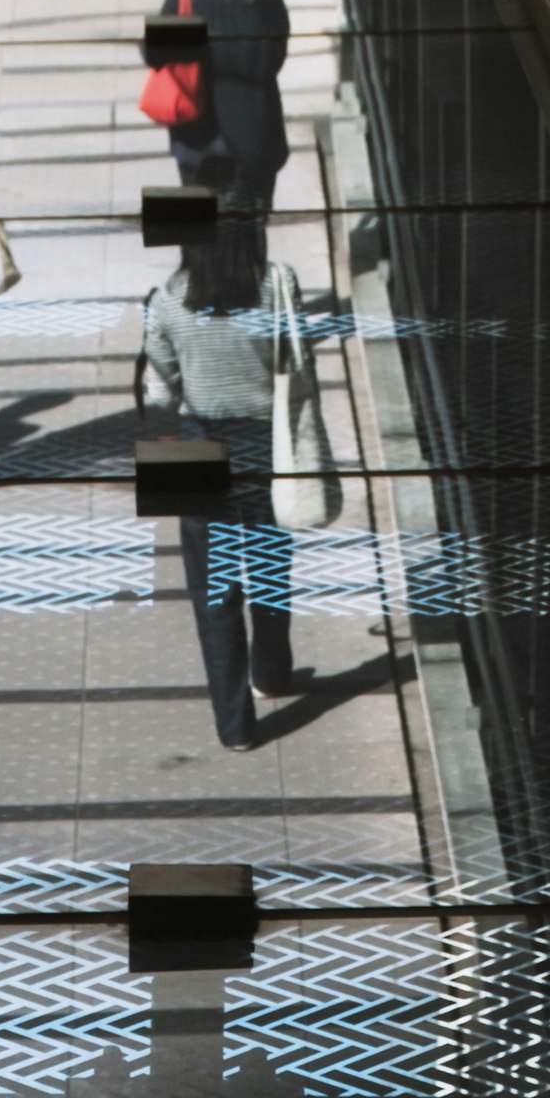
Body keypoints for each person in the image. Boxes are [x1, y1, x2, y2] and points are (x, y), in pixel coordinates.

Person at [137, 215, 307, 747]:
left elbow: (162, 395)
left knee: (214, 590)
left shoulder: (168, 299)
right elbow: (299, 359)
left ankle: (234, 726)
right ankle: (273, 671)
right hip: (266, 445)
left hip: (195, 447)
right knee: (271, 564)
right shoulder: (278, 284)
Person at [152, 0, 290, 221]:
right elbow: (277, 55)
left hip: (197, 140)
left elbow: (153, 53)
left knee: (200, 234)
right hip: (256, 132)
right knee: (251, 232)